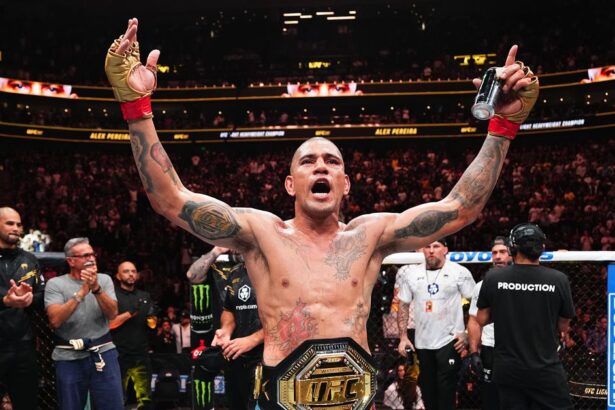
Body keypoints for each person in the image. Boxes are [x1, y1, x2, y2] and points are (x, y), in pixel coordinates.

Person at [105, 18, 538, 409]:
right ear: (290, 184)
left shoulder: (371, 235)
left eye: (332, 161)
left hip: (356, 398)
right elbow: (171, 200)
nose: (321, 167)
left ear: (345, 184)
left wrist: (503, 128)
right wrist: (135, 108)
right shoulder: (260, 232)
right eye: (308, 161)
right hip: (283, 397)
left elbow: (461, 208)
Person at [476, 223, 575, 409]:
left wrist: (508, 309)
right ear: (542, 247)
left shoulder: (494, 278)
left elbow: (481, 319)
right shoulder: (558, 279)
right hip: (545, 368)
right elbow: (563, 325)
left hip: (508, 369)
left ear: (512, 248)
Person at [44, 237, 123, 410]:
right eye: (85, 255)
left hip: (103, 353)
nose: (92, 259)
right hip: (68, 356)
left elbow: (112, 314)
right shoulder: (55, 284)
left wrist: (96, 289)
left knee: (113, 406)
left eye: (93, 254)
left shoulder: (104, 280)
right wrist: (81, 292)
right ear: (71, 261)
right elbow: (55, 320)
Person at [396, 239, 475, 410]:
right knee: (428, 389)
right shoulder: (411, 274)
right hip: (422, 342)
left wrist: (467, 333)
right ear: (423, 250)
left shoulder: (459, 272)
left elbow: (475, 302)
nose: (431, 250)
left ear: (445, 249)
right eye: (427, 246)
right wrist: (403, 337)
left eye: (436, 246)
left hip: (450, 340)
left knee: (446, 389)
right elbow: (403, 305)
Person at [191, 246, 264, 409]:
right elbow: (229, 309)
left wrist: (253, 339)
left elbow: (287, 318)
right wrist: (226, 330)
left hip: (267, 358)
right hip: (237, 355)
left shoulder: (274, 271)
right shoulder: (236, 272)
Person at [0, 207, 45, 410]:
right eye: (10, 223)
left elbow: (43, 296)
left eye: (19, 224)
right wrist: (5, 301)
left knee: (27, 403)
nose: (16, 228)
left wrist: (29, 300)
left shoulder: (30, 260)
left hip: (22, 346)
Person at [467, 236, 511, 410]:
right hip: (490, 347)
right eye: (494, 253)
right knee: (491, 397)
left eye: (502, 252)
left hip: (518, 348)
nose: (498, 257)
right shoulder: (481, 286)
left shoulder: (524, 282)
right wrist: (474, 352)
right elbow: (474, 320)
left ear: (512, 254)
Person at [109, 261, 157, 410]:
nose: (131, 274)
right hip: (119, 354)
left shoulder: (144, 295)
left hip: (141, 353)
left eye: (133, 271)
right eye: (126, 271)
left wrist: (152, 318)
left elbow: (152, 325)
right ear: (118, 276)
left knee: (146, 399)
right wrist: (131, 312)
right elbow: (109, 324)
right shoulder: (112, 296)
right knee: (117, 397)